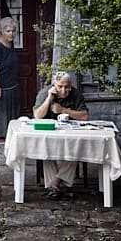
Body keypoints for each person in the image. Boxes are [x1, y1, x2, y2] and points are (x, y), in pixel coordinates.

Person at [33, 71, 90, 200]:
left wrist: (64, 110)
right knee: (45, 153)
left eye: (66, 87)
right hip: (49, 135)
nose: (63, 90)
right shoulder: (44, 93)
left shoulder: (76, 94)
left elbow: (85, 116)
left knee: (75, 152)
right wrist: (48, 99)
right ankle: (57, 186)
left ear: (70, 86)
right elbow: (37, 116)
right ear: (54, 85)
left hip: (70, 135)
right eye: (60, 87)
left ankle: (54, 185)